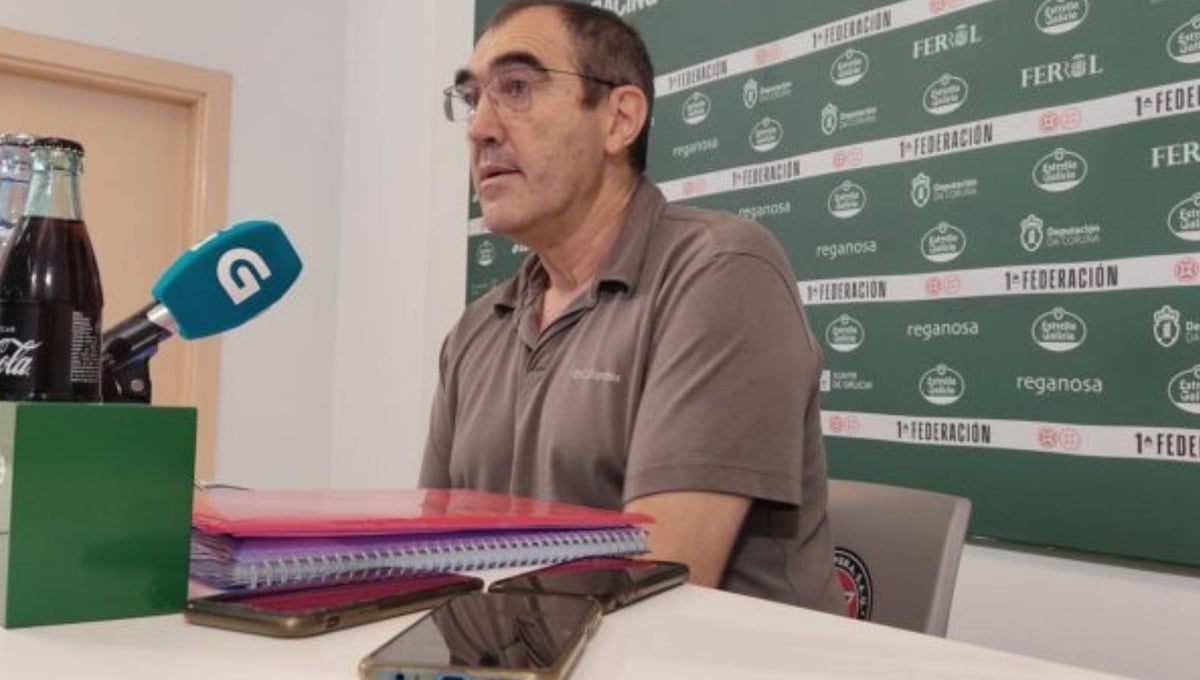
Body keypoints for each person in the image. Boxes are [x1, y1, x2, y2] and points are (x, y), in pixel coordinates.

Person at [420, 0, 843, 614]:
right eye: (471, 97)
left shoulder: (723, 271)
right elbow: (430, 561)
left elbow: (654, 586)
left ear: (619, 120)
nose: (479, 127)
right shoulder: (478, 327)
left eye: (516, 88)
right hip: (523, 651)